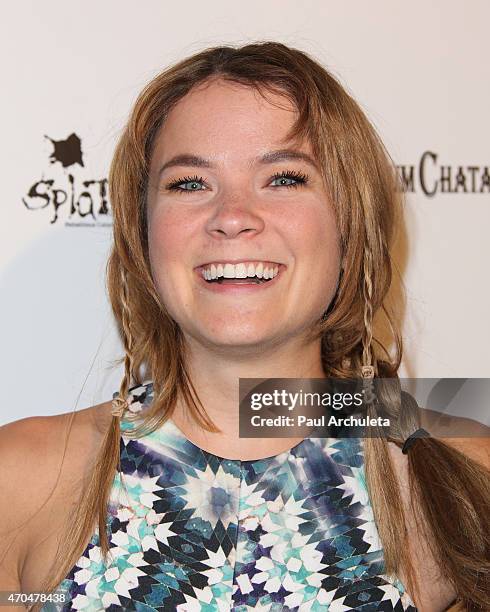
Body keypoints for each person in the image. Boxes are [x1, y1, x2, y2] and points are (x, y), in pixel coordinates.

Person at [0, 41, 488, 612]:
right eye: (189, 183)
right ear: (143, 234)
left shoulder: (465, 471)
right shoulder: (21, 477)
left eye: (283, 178)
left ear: (351, 223)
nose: (232, 217)